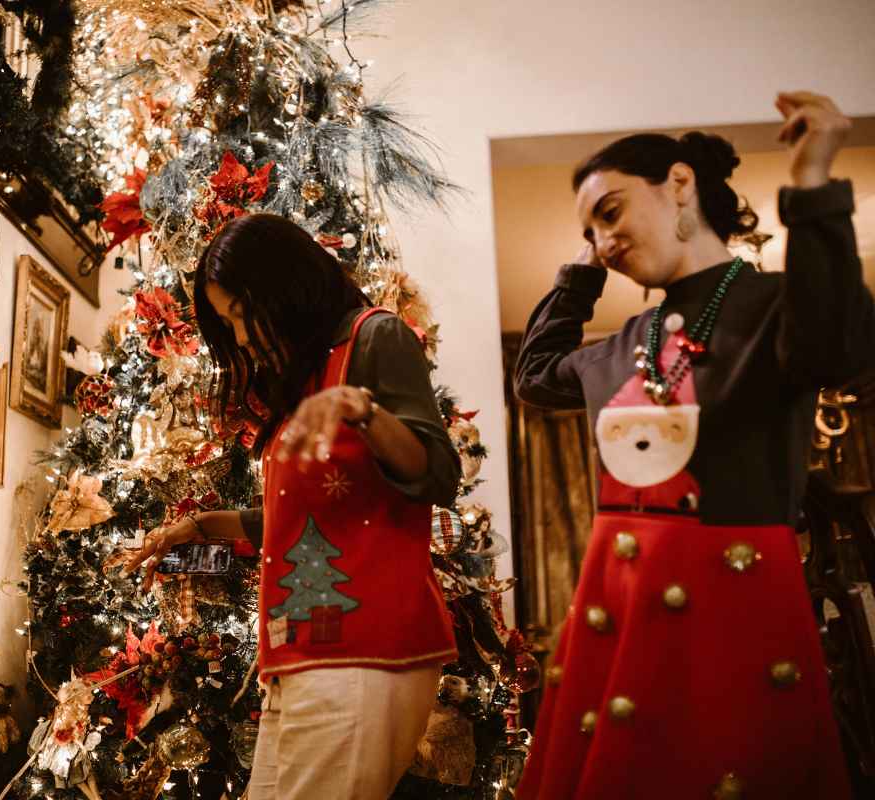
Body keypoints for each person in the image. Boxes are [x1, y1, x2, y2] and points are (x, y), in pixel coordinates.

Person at [513, 91, 867, 799]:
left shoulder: (773, 308)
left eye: (610, 211)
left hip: (736, 613)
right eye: (591, 231)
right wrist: (583, 269)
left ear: (679, 183)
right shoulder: (617, 349)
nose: (606, 242)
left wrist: (813, 182)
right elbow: (532, 376)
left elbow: (835, 342)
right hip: (618, 612)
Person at [125, 212, 462, 800]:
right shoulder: (308, 377)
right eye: (228, 323)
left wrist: (365, 411)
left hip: (364, 648)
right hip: (303, 655)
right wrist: (196, 527)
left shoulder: (375, 338)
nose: (243, 337)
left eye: (240, 313)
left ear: (282, 286)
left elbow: (438, 473)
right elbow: (301, 526)